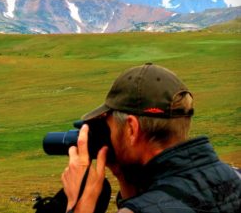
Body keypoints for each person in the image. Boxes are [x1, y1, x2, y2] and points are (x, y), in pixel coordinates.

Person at [61, 63, 241, 213]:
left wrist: (78, 204)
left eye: (110, 126)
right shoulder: (233, 177)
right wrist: (124, 177)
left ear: (131, 129)